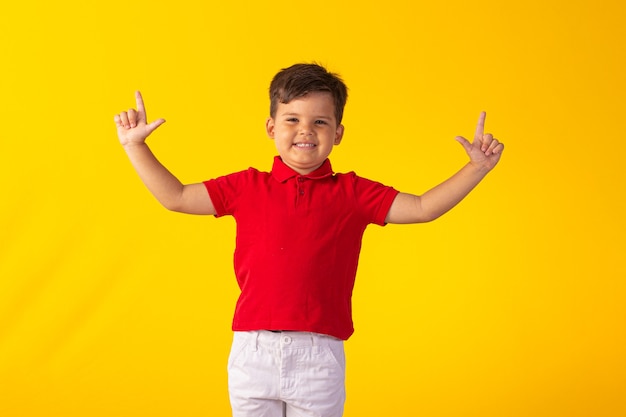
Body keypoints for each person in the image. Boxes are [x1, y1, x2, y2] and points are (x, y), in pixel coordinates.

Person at [114, 63, 504, 417]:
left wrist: (476, 168)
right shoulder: (246, 186)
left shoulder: (352, 192)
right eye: (292, 119)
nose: (305, 130)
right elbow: (176, 197)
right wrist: (135, 145)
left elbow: (422, 208)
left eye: (320, 122)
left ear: (338, 133)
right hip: (253, 350)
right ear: (271, 127)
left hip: (318, 355)